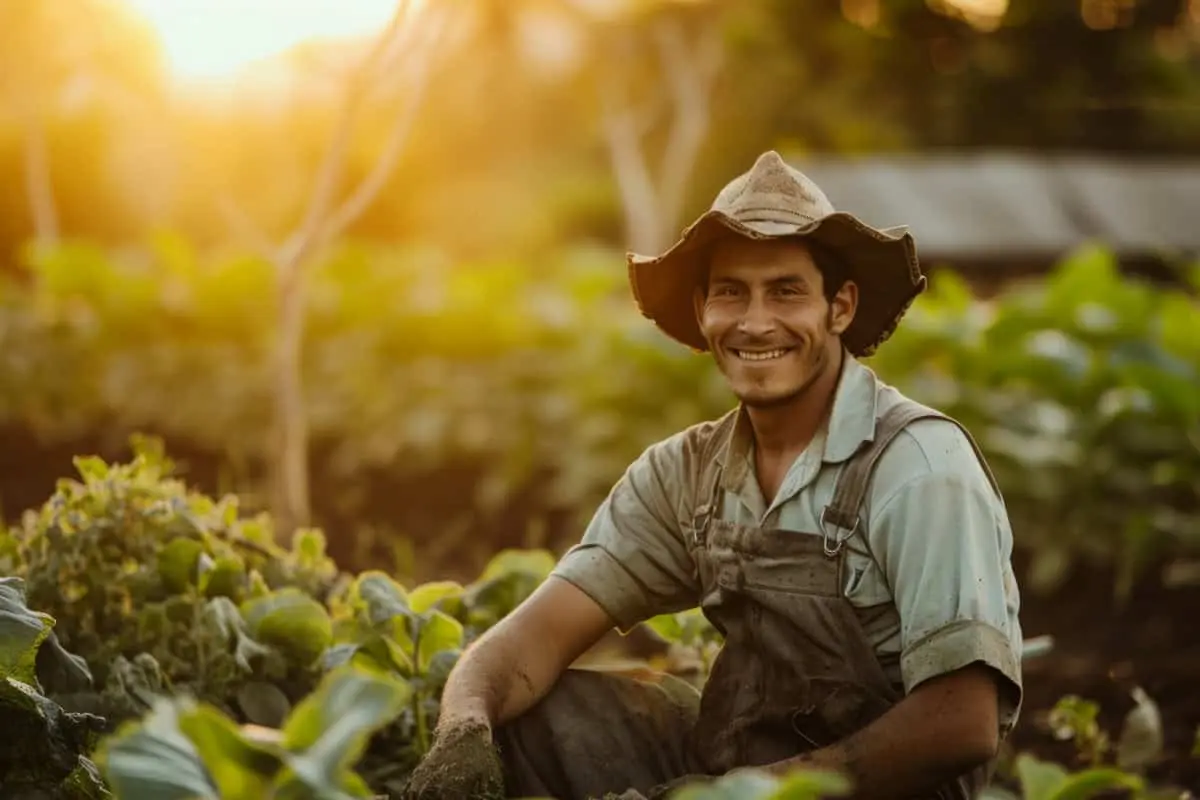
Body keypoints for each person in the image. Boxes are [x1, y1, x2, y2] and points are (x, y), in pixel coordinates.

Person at [402, 151, 1024, 800]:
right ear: (702, 310)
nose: (756, 323)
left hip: (877, 789)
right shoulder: (686, 474)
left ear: (839, 308)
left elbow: (964, 721)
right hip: (739, 766)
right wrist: (462, 727)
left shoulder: (920, 468)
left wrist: (739, 797)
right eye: (732, 292)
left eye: (786, 291)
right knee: (535, 718)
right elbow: (534, 637)